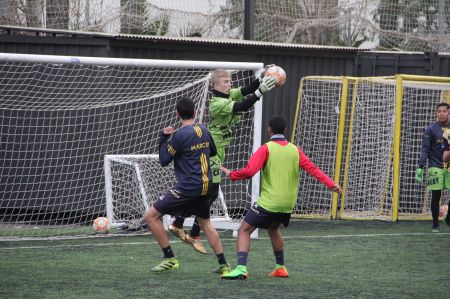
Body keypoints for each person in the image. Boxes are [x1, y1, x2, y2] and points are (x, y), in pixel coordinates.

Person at [168, 67, 277, 254]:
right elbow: (242, 106)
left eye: (230, 81)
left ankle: (184, 227)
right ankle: (182, 224)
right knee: (209, 192)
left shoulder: (228, 94)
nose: (230, 85)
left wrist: (261, 78)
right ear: (216, 84)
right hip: (211, 151)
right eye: (226, 82)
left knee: (207, 194)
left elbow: (244, 91)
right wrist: (260, 93)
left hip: (220, 151)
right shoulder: (217, 103)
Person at [219, 115, 343, 280]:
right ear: (285, 130)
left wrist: (231, 173)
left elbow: (249, 172)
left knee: (244, 230)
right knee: (273, 228)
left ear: (269, 129)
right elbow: (313, 169)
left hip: (270, 202)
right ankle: (280, 268)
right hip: (288, 203)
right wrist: (331, 184)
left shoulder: (266, 148)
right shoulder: (295, 149)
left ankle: (241, 268)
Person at [144, 96, 230, 274]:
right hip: (206, 185)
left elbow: (164, 160)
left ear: (177, 114)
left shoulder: (179, 135)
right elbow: (212, 151)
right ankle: (224, 265)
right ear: (195, 112)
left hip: (189, 186)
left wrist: (164, 137)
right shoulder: (204, 130)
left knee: (151, 216)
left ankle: (170, 258)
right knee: (206, 224)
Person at [416, 102, 450, 233]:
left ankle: (448, 217)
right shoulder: (430, 129)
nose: (441, 113)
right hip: (435, 166)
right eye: (439, 111)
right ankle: (435, 224)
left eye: (443, 111)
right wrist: (420, 166)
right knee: (436, 196)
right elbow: (425, 149)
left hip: (449, 166)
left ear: (449, 112)